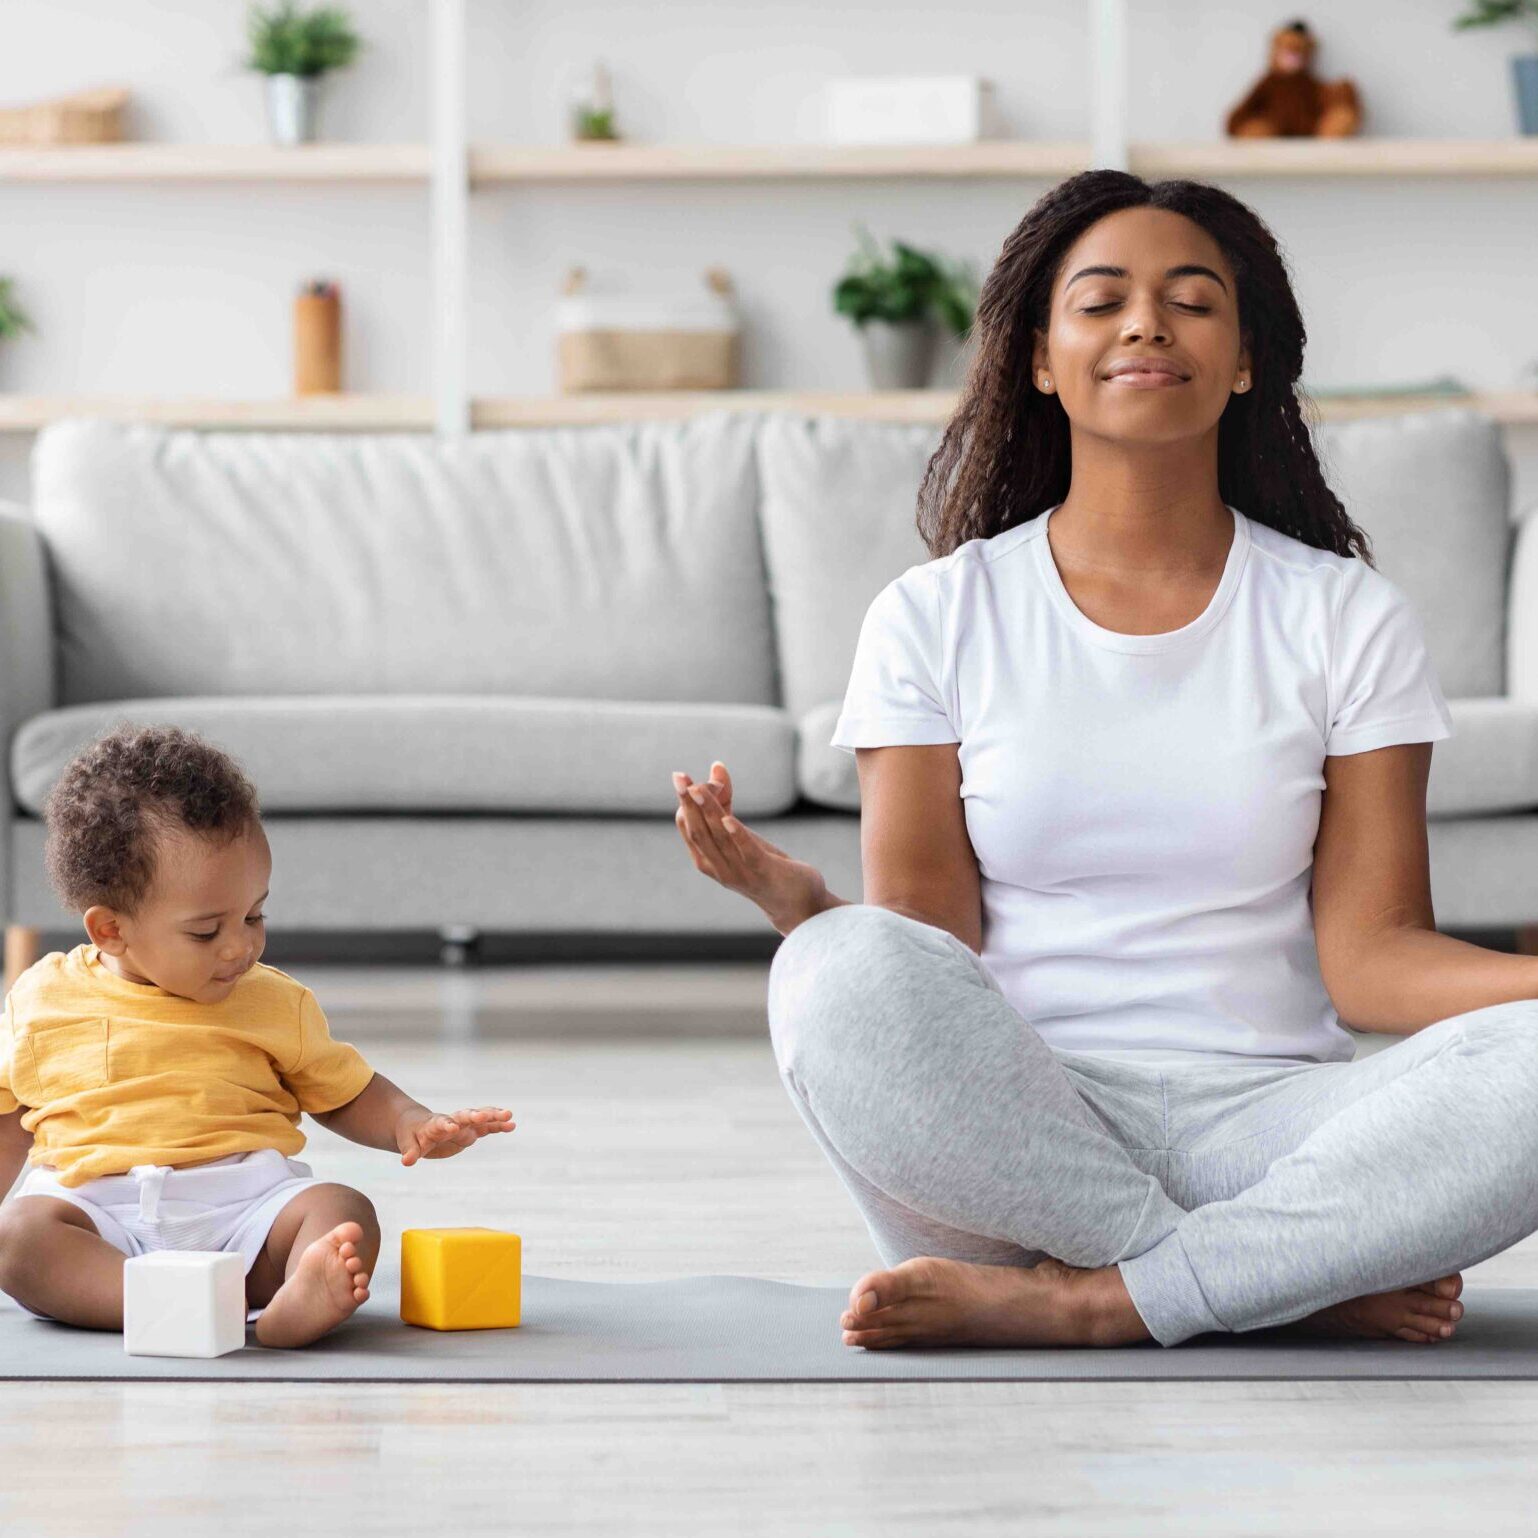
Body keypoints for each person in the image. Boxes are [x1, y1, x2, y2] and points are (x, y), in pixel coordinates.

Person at [669, 168, 1538, 1351]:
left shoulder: (1345, 615)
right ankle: (1268, 1276)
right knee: (830, 967)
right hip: (1018, 1137)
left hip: (1274, 1125)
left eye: (1190, 300)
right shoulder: (933, 615)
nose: (1145, 324)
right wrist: (806, 910)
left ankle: (1101, 1296)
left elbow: (1372, 960)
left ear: (1243, 360)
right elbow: (925, 945)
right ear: (1039, 357)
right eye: (1100, 301)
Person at [0, 724, 515, 1348]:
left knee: (342, 1211)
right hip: (100, 1215)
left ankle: (285, 1299)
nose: (242, 945)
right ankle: (179, 1304)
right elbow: (11, 1120)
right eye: (206, 932)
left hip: (244, 1207)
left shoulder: (273, 1001)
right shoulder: (42, 998)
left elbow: (345, 1091)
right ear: (110, 929)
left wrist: (411, 1122)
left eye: (254, 914)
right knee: (18, 1239)